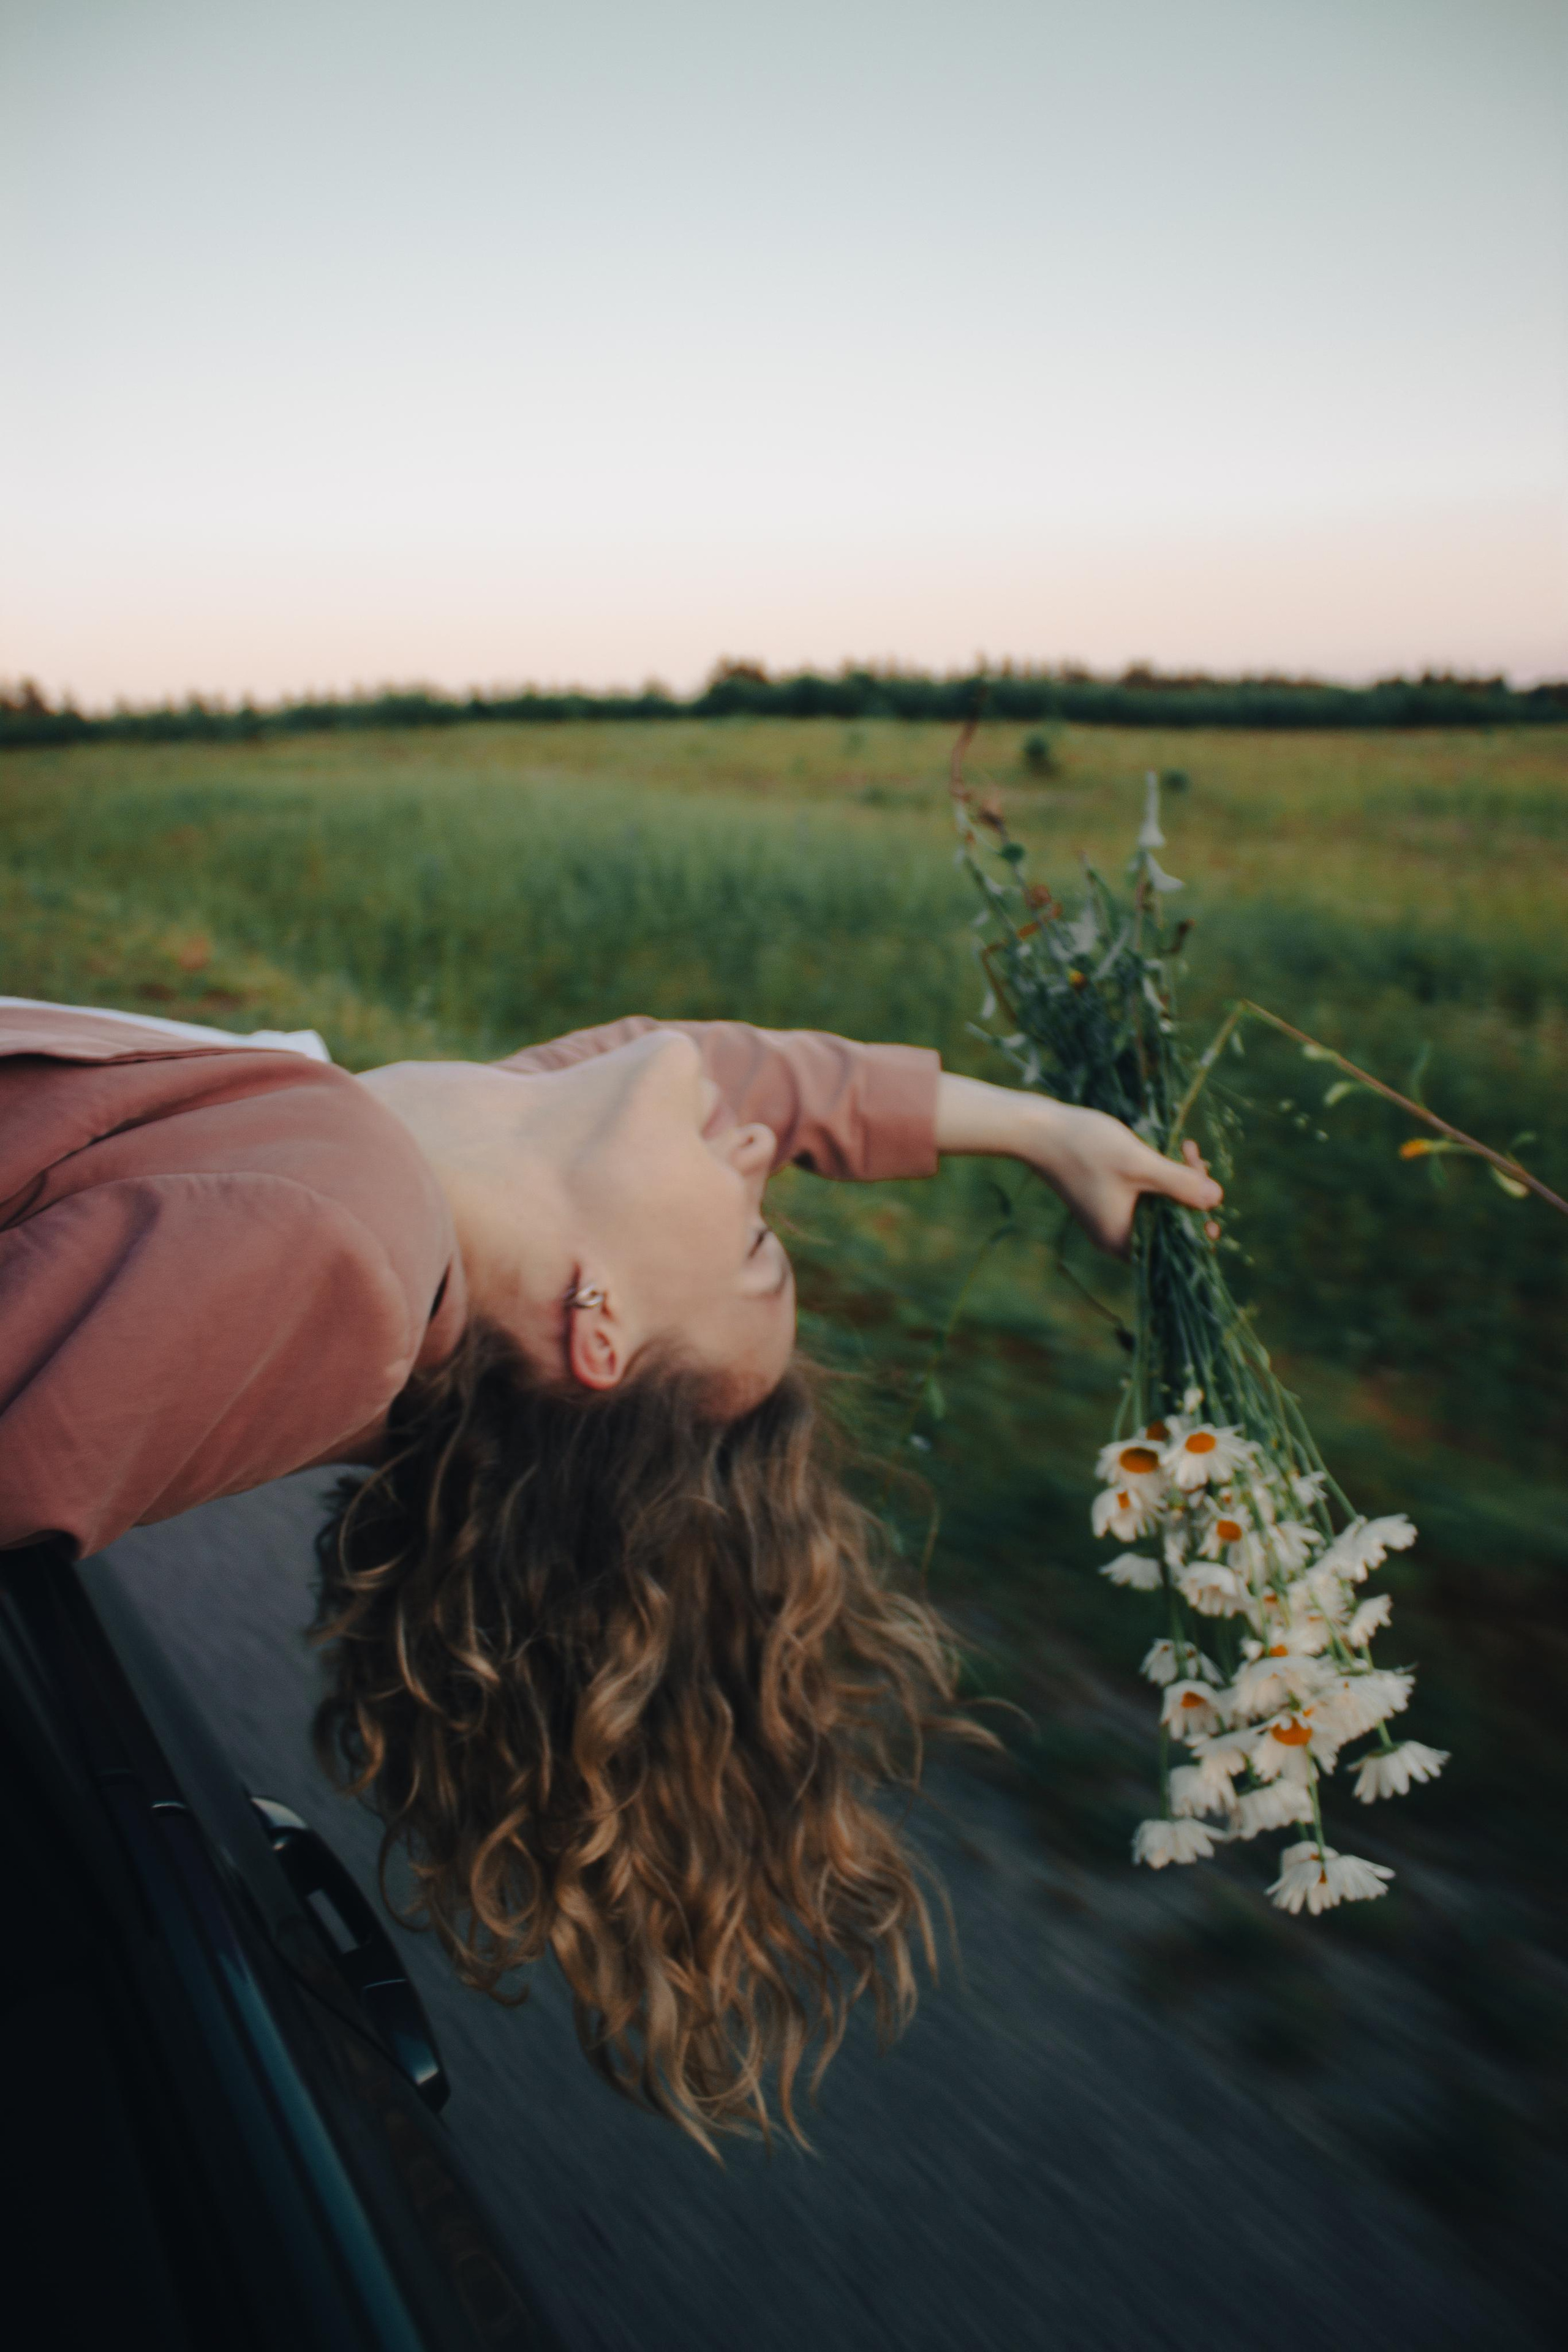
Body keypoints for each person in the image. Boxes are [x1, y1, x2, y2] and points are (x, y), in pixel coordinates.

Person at [0, 994, 1218, 2146]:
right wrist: (1047, 1131)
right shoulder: (433, 1165)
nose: (749, 1143)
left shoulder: (337, 1244)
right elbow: (743, 1074)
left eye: (752, 1242)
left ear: (600, 1325)